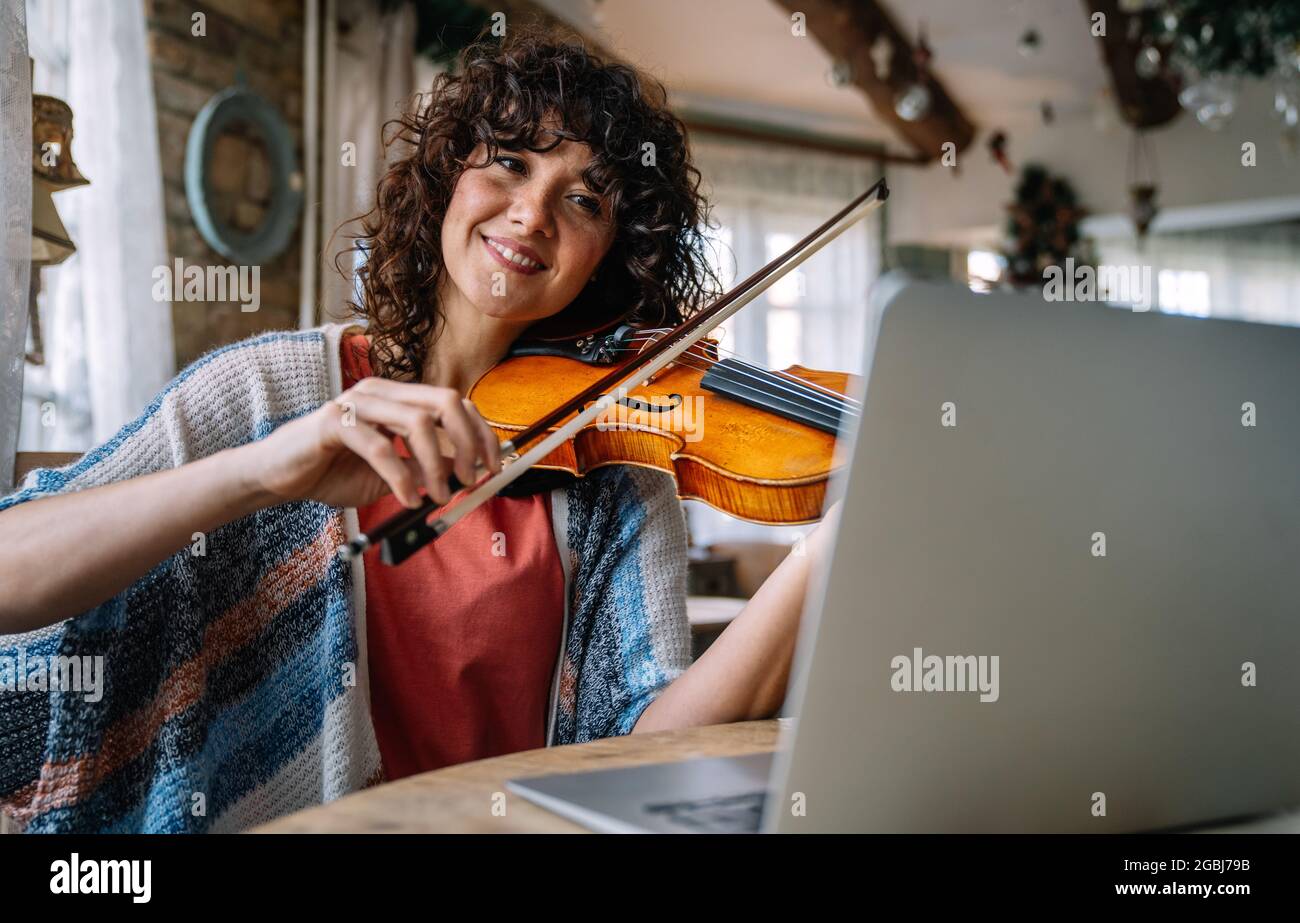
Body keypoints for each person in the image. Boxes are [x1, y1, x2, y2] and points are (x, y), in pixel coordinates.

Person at [0, 27, 836, 833]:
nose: (532, 214)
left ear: (611, 255)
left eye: (584, 199)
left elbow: (650, 755)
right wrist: (259, 472)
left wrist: (827, 551)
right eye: (510, 162)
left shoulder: (616, 463)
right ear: (447, 178)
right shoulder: (267, 392)